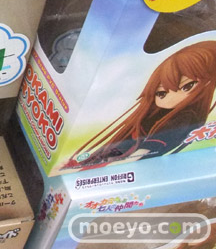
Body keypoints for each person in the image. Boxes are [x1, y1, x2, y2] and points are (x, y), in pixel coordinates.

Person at [65, 40, 216, 169]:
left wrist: (129, 160)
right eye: (161, 94)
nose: (171, 98)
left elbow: (152, 147)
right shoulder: (152, 115)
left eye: (187, 86)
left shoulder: (186, 117)